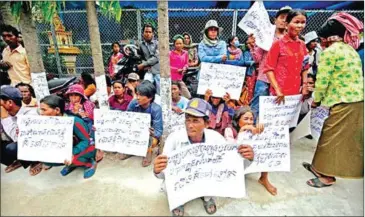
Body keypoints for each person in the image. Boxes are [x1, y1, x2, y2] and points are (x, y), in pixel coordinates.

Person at [153, 98, 254, 216]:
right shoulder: (174, 139)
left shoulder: (216, 139)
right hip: (183, 179)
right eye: (187, 120)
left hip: (205, 176)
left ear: (206, 123)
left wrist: (248, 158)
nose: (190, 125)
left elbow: (233, 168)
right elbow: (163, 174)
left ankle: (206, 198)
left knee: (213, 179)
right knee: (167, 187)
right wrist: (157, 170)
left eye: (195, 121)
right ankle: (178, 201)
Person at [303, 17, 364, 188]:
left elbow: (323, 80)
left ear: (328, 38)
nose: (320, 44)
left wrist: (316, 100)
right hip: (356, 100)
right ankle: (318, 167)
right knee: (331, 135)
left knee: (332, 138)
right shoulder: (350, 50)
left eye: (321, 40)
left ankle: (327, 177)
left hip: (343, 101)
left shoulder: (330, 52)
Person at [247, 6, 292, 122]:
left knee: (276, 110)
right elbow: (257, 59)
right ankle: (251, 132)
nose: (283, 21)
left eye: (287, 19)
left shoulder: (292, 39)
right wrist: (252, 46)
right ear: (275, 20)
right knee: (257, 106)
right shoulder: (265, 37)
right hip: (264, 78)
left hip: (281, 80)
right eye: (281, 17)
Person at [40, 95, 97, 179]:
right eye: (40, 110)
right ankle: (72, 163)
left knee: (70, 157)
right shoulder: (47, 122)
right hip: (68, 148)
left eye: (44, 110)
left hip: (88, 146)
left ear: (57, 110)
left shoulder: (75, 121)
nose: (41, 113)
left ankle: (89, 163)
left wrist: (72, 153)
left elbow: (86, 141)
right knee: (46, 159)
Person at [264, 10, 309, 105]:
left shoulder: (302, 45)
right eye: (296, 22)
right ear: (287, 24)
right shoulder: (277, 44)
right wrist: (277, 89)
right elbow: (268, 69)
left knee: (292, 120)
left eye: (303, 22)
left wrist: (305, 85)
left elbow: (305, 67)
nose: (300, 26)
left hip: (296, 92)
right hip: (279, 93)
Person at [0, 85, 42, 175]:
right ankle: (20, 159)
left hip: (36, 145)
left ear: (9, 102)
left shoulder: (29, 115)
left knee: (12, 148)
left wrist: (5, 118)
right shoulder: (7, 113)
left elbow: (17, 139)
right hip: (18, 140)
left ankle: (35, 161)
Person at [121, 80, 163, 167]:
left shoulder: (156, 109)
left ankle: (148, 152)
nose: (138, 97)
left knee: (153, 141)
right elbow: (126, 118)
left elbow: (159, 131)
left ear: (150, 97)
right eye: (137, 94)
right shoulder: (133, 103)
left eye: (141, 95)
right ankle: (129, 150)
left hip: (148, 134)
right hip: (134, 130)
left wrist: (152, 132)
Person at [137, 23, 160, 94]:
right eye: (146, 32)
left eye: (150, 32)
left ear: (153, 33)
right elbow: (140, 57)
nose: (148, 34)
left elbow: (156, 58)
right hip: (148, 71)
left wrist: (143, 64)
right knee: (145, 89)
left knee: (160, 91)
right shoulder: (141, 45)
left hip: (158, 71)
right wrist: (143, 64)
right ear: (143, 33)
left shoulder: (158, 44)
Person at [169, 34, 191, 99]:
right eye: (177, 44)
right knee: (173, 97)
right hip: (172, 79)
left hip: (180, 79)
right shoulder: (170, 54)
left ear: (183, 44)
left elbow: (186, 64)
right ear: (174, 44)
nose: (179, 45)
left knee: (188, 96)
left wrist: (185, 68)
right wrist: (177, 70)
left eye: (180, 43)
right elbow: (167, 66)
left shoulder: (185, 53)